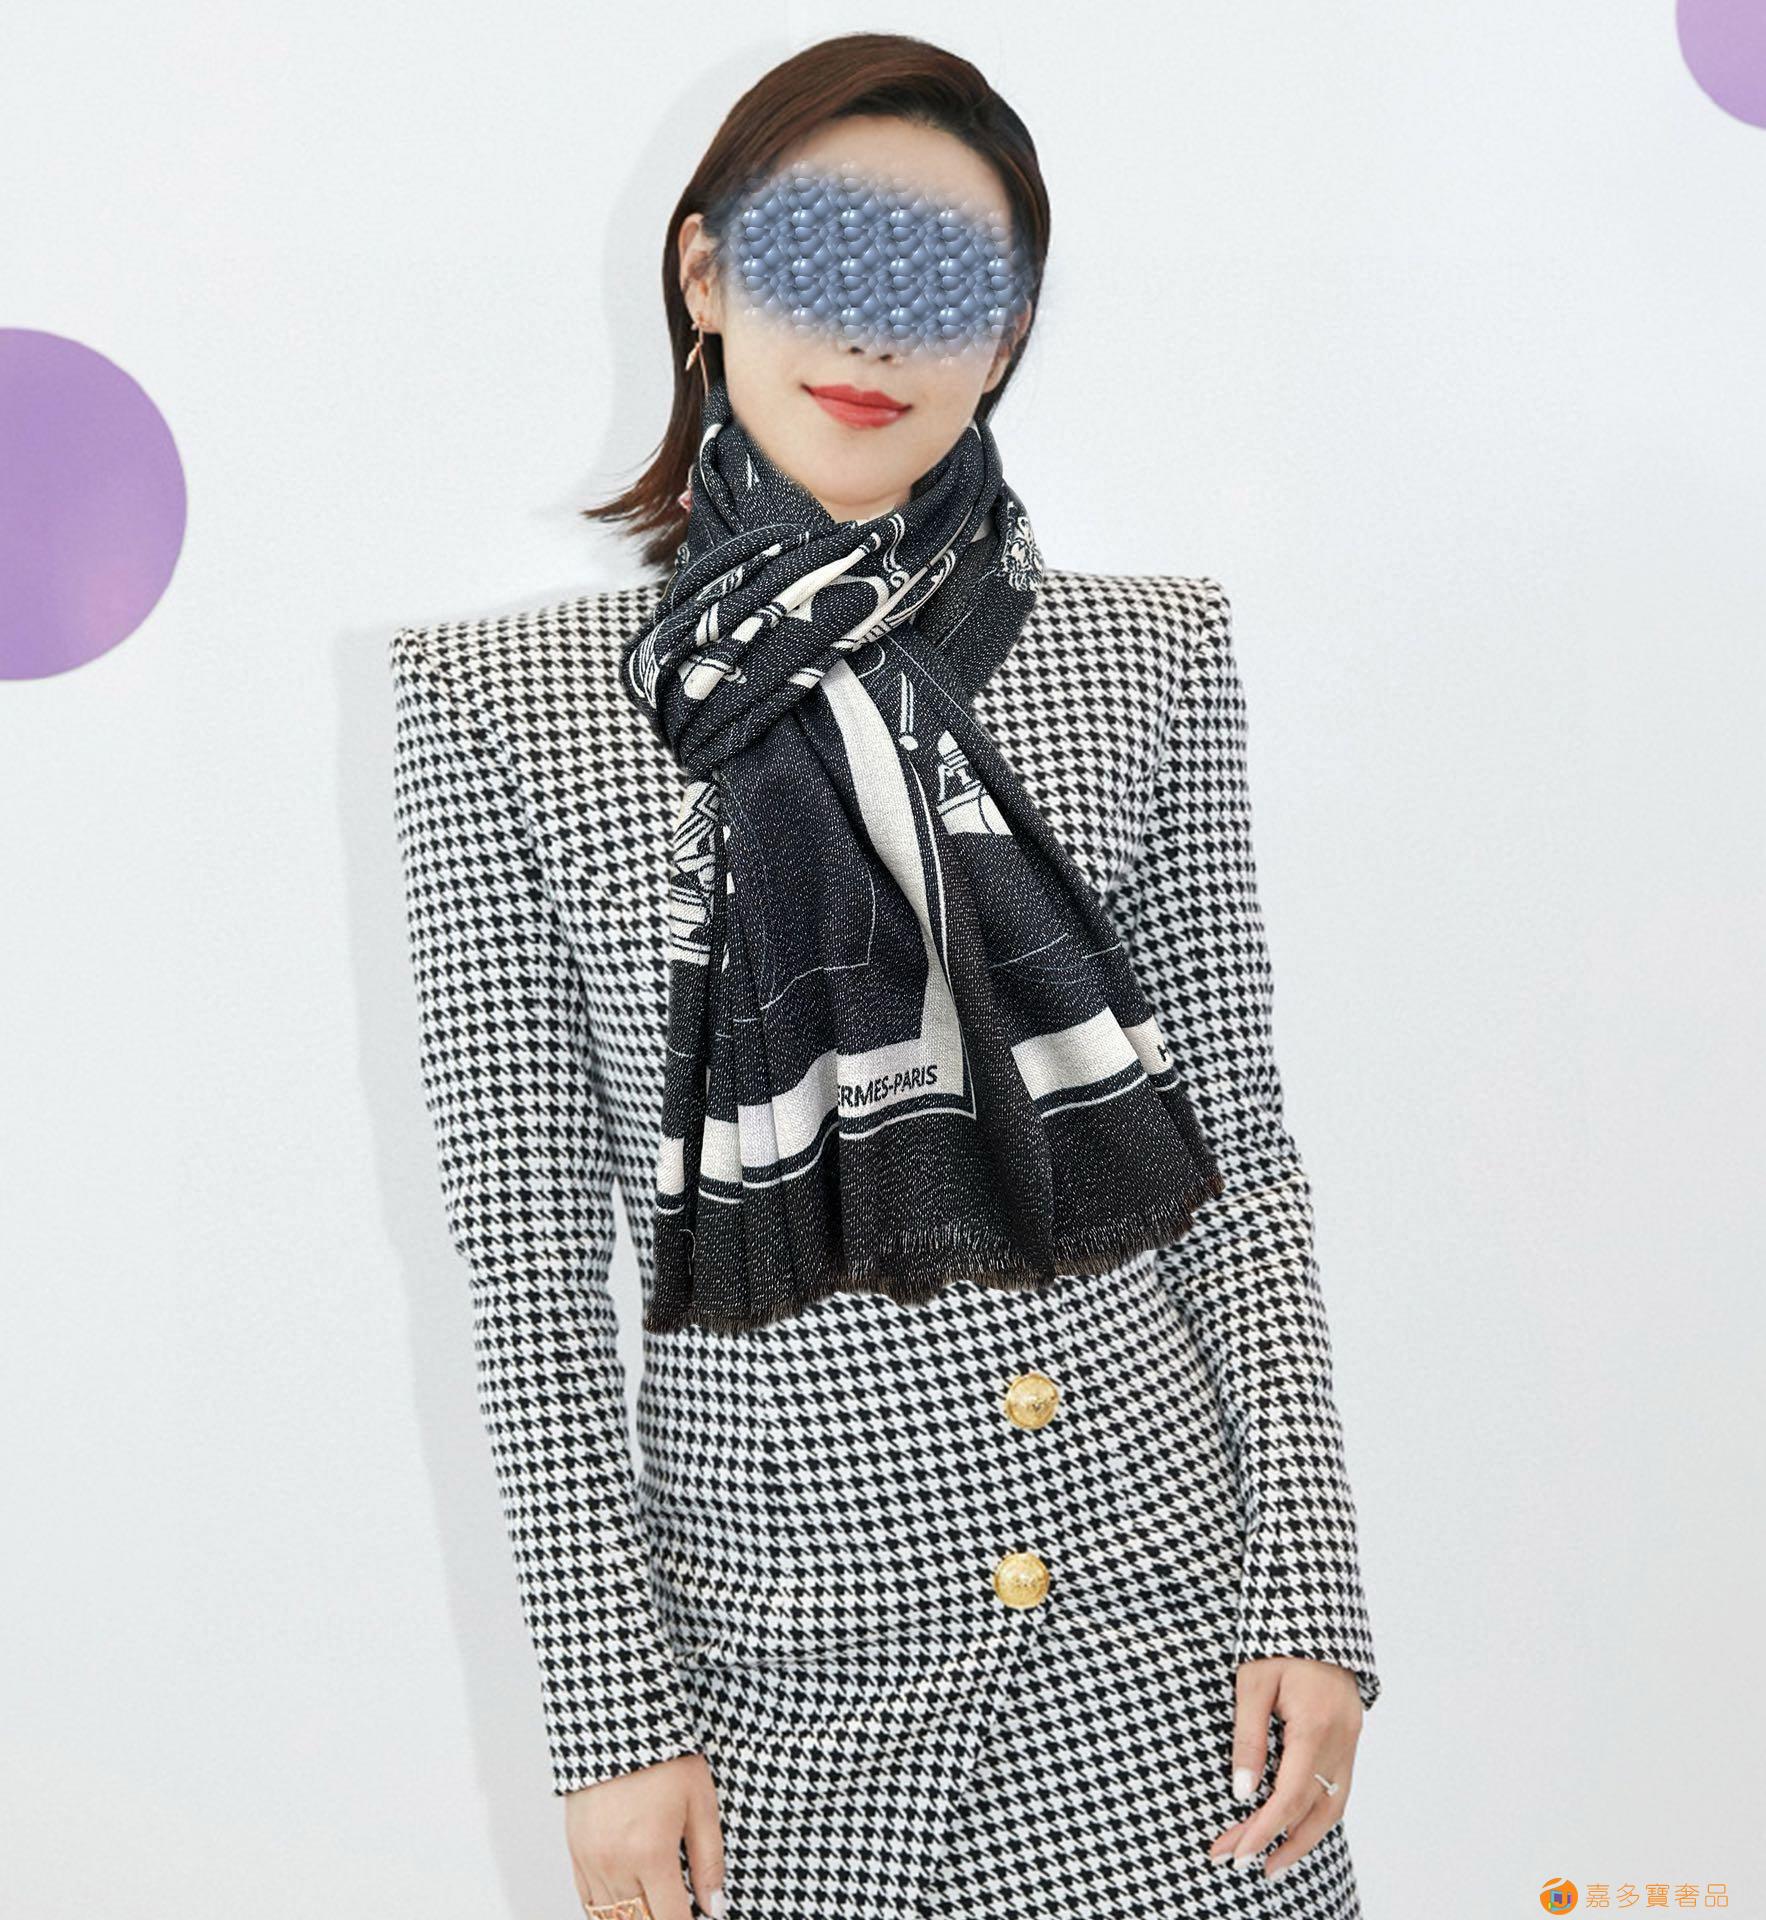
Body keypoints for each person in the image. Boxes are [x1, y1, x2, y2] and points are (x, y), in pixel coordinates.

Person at [388, 31, 1379, 1920]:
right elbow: (526, 1257)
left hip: (1173, 1661)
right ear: (703, 275)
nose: (873, 332)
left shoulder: (1151, 656)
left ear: (1006, 335)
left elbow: (1236, 1153)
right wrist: (607, 1723)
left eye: (944, 286)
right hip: (778, 1699)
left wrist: (1310, 1589)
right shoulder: (500, 709)